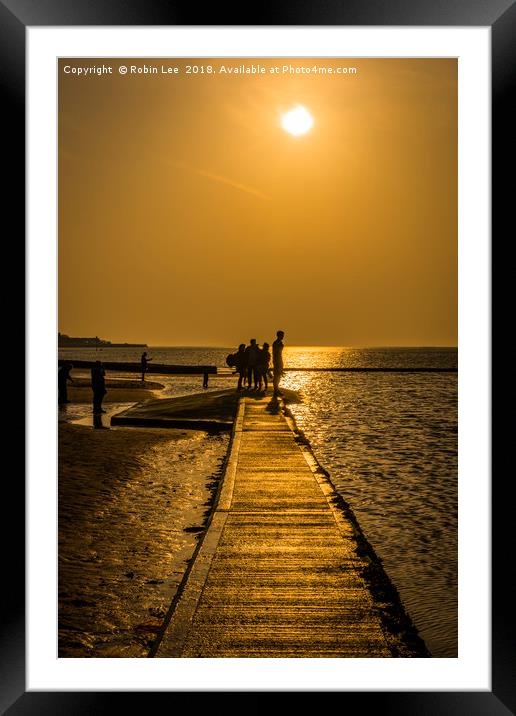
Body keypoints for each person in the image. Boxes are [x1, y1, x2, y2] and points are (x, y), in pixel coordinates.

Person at [272, 330, 285, 397]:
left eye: (283, 335)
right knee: (276, 376)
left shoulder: (280, 343)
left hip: (279, 359)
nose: (283, 337)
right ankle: (275, 390)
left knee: (279, 375)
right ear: (278, 335)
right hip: (277, 360)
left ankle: (276, 389)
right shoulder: (276, 343)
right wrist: (275, 362)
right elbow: (275, 353)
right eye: (282, 335)